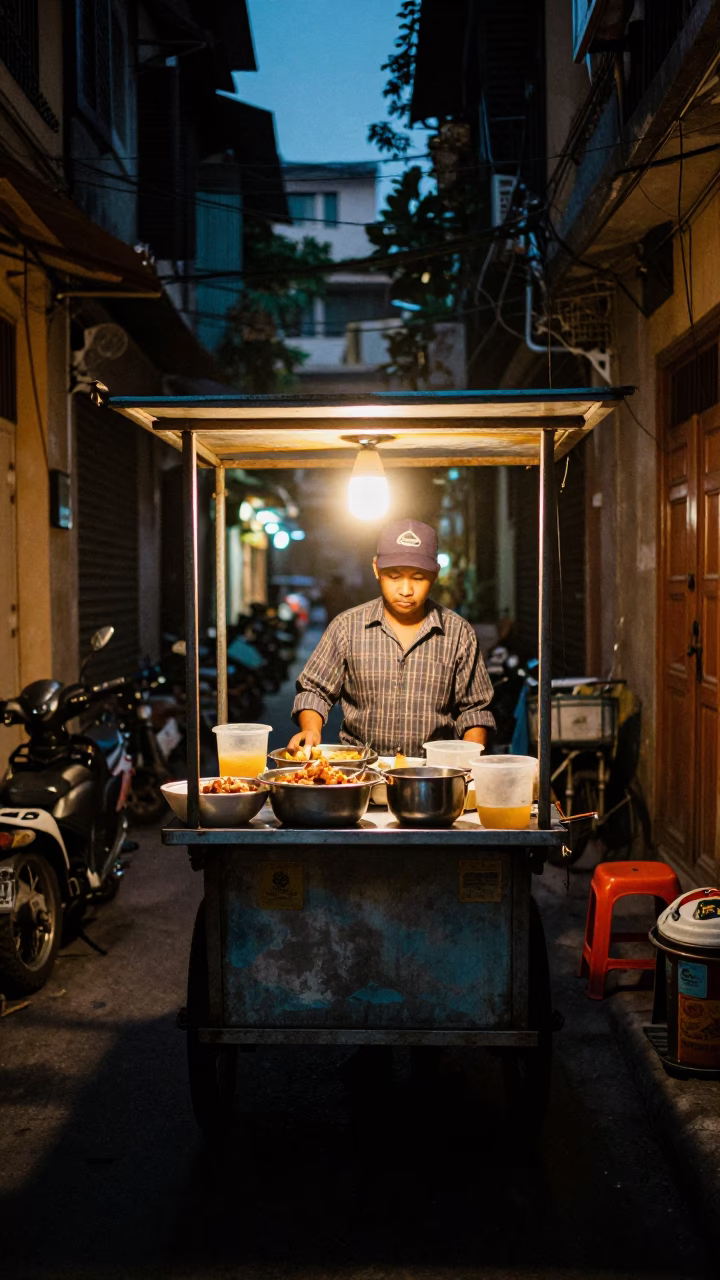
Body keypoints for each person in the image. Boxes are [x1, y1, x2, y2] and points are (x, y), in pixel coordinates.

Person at [288, 518, 495, 755]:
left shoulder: (459, 633)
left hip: (432, 771)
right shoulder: (346, 627)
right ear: (376, 569)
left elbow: (475, 711)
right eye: (394, 576)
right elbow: (314, 691)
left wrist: (467, 760)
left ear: (435, 574)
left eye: (418, 578)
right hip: (361, 769)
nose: (406, 590)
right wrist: (311, 730)